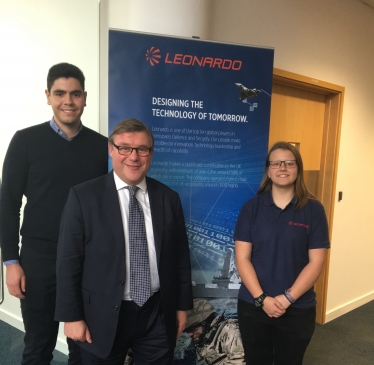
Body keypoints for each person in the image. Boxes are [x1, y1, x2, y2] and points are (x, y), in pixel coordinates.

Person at [55, 118, 193, 365]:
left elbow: (180, 258)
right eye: (125, 148)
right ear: (111, 149)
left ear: (151, 153)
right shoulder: (83, 197)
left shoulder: (168, 198)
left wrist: (181, 308)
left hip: (156, 313)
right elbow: (68, 262)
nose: (134, 156)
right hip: (100, 314)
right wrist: (71, 317)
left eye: (142, 149)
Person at [0, 63, 108, 365]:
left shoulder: (103, 148)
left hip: (87, 259)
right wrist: (11, 262)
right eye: (60, 93)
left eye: (75, 94)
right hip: (38, 259)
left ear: (85, 97)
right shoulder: (25, 141)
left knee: (84, 346)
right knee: (38, 346)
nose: (68, 101)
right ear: (48, 96)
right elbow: (7, 204)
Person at [234, 141, 330, 365]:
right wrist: (261, 299)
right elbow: (242, 257)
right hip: (254, 307)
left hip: (297, 308)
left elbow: (317, 262)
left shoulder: (314, 210)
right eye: (276, 163)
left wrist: (287, 298)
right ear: (268, 170)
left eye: (289, 163)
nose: (283, 168)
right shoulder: (251, 208)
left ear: (298, 169)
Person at [184, 298, 245, 365]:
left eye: (192, 329)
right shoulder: (203, 340)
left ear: (205, 322)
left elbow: (239, 361)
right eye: (187, 331)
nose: (190, 335)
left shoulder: (230, 333)